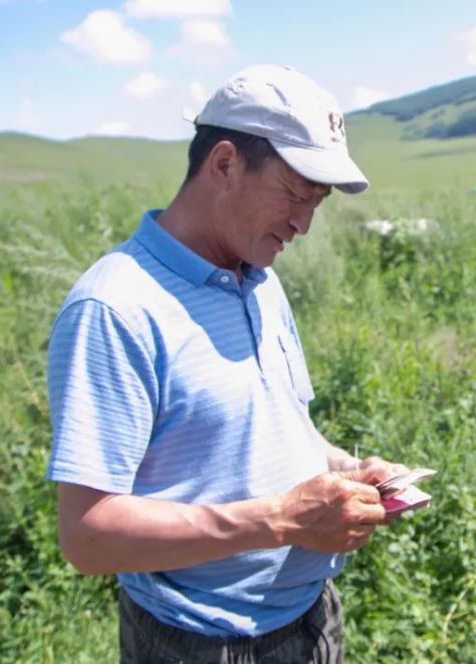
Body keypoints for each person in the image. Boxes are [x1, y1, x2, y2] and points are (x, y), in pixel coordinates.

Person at [46, 64, 403, 663]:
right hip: (198, 642)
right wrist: (282, 520)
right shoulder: (115, 308)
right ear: (225, 164)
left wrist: (345, 470)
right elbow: (88, 536)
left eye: (316, 203)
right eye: (294, 194)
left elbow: (278, 424)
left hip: (311, 619)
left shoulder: (260, 280)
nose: (303, 225)